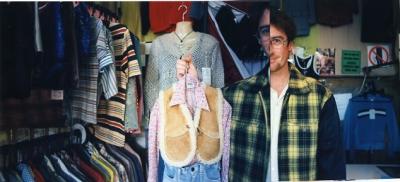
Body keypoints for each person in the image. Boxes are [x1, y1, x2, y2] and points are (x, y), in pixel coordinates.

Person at [267, 8, 345, 181]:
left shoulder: (320, 97)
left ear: (290, 47)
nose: (269, 49)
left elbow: (332, 165)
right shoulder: (237, 96)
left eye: (277, 41)